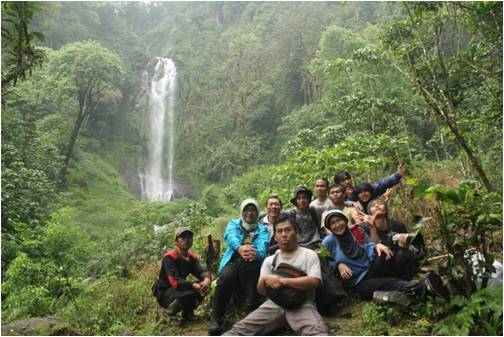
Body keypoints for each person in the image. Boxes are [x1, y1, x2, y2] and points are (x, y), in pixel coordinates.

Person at [222, 212, 329, 336]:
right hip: (274, 304)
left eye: (288, 230)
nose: (284, 235)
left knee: (317, 332)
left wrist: (283, 281)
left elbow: (314, 281)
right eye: (279, 231)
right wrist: (266, 278)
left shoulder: (308, 254)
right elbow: (261, 290)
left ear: (297, 232)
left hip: (303, 304)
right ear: (275, 236)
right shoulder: (270, 260)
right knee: (240, 329)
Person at [322, 209, 449, 302]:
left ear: (344, 220)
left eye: (339, 220)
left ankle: (406, 275)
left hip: (371, 269)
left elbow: (368, 245)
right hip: (359, 283)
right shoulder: (328, 242)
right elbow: (325, 263)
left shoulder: (355, 231)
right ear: (329, 227)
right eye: (332, 223)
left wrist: (377, 245)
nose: (337, 225)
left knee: (390, 253)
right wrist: (338, 264)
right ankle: (424, 288)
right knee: (391, 283)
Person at [209, 199, 270, 336]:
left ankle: (250, 311)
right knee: (225, 278)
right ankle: (216, 318)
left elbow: (263, 246)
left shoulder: (263, 230)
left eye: (253, 210)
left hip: (252, 264)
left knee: (250, 263)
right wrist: (240, 247)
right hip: (233, 262)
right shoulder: (234, 224)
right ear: (242, 212)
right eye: (246, 210)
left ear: (257, 213)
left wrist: (253, 253)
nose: (250, 213)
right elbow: (230, 236)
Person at [153, 227, 211, 322]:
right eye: (182, 237)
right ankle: (167, 313)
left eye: (189, 237)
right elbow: (175, 282)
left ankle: (188, 314)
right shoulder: (170, 258)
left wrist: (206, 279)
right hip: (165, 292)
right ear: (176, 241)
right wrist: (192, 285)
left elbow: (201, 270)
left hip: (178, 288)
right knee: (191, 292)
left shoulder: (191, 257)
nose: (186, 240)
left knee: (205, 287)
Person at [358, 197, 423, 281]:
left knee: (405, 253)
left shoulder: (397, 225)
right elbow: (373, 249)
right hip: (379, 264)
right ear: (369, 212)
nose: (377, 205)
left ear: (386, 209)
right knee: (382, 254)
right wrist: (372, 227)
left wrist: (403, 245)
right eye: (373, 206)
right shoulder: (364, 228)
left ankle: (407, 283)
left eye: (380, 204)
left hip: (397, 260)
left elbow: (410, 247)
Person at [333, 165, 406, 202]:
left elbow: (379, 185)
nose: (347, 182)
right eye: (343, 180)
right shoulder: (336, 198)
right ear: (337, 184)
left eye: (348, 178)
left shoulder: (360, 190)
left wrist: (397, 175)